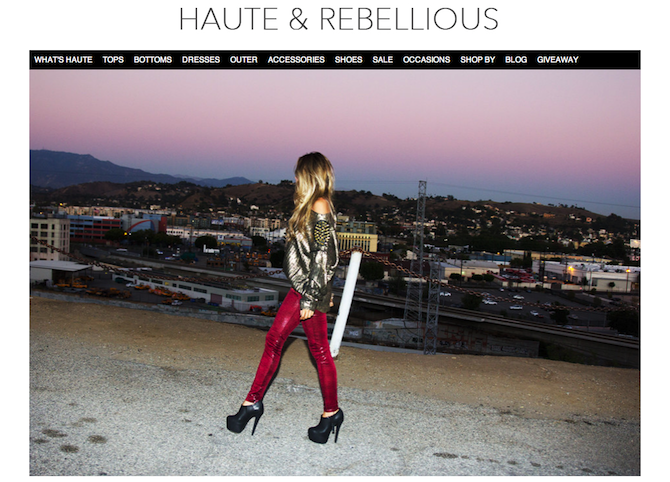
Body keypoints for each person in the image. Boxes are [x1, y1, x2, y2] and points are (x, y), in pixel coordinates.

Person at [226, 152, 343, 444]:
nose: (295, 179)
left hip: (306, 292)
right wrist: (320, 292)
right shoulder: (308, 206)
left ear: (309, 176)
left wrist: (310, 299)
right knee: (308, 348)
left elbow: (323, 256)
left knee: (293, 345)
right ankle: (328, 413)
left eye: (298, 174)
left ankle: (255, 404)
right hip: (305, 288)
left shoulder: (319, 205)